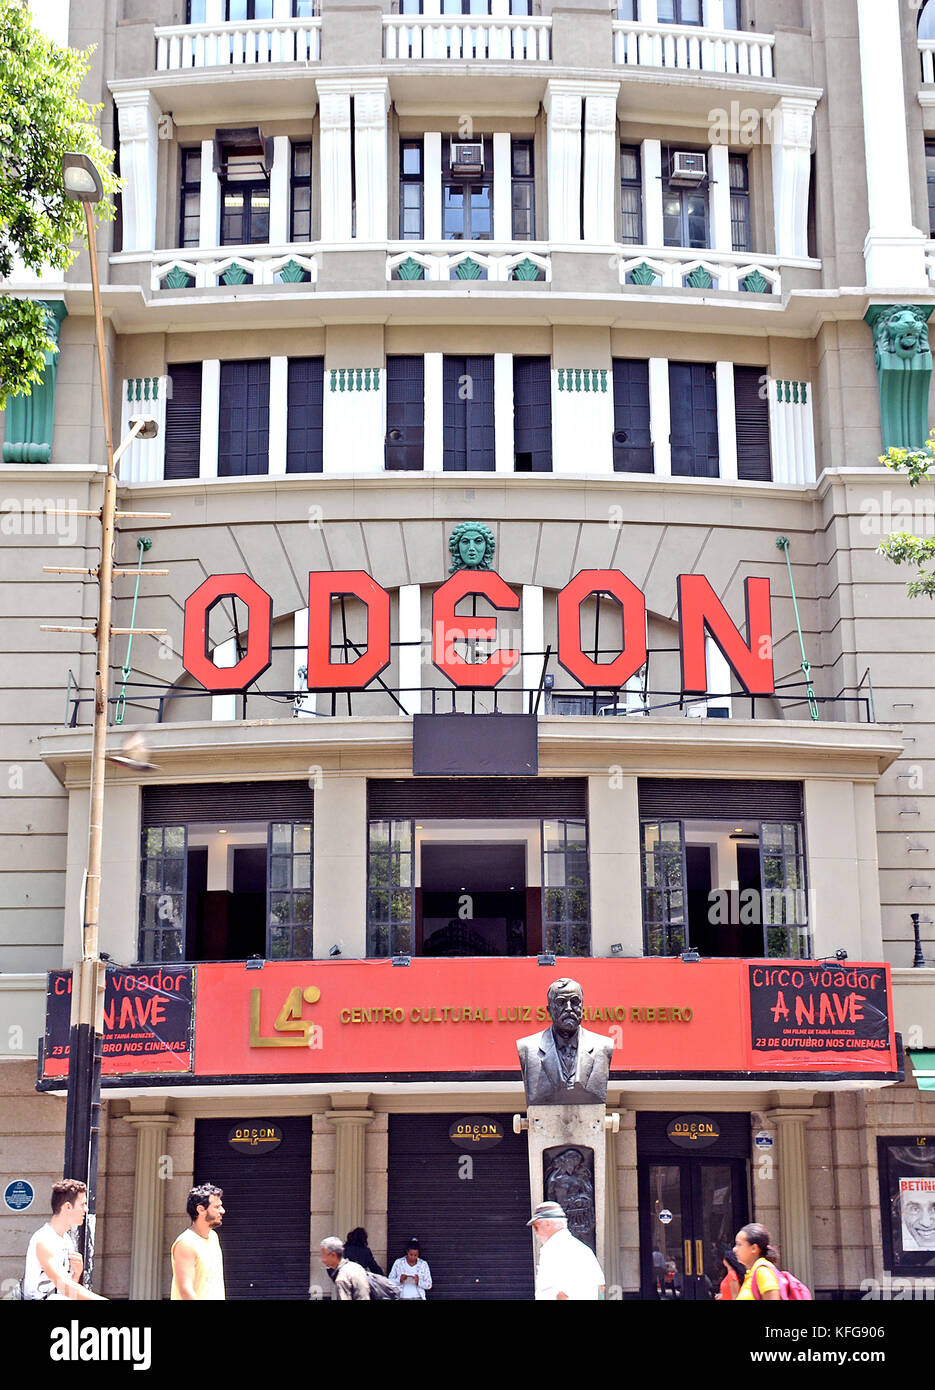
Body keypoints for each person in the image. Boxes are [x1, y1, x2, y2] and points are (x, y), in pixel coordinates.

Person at [516, 978, 615, 1108]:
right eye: (561, 1002)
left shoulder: (603, 1046)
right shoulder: (527, 1048)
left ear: (582, 1007)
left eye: (574, 1002)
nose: (569, 1008)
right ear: (549, 1010)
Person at [23, 1179, 106, 1300]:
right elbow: (64, 1287)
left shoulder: (66, 1240)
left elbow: (67, 1291)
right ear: (68, 1207)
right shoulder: (45, 1240)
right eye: (82, 1204)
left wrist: (76, 1274)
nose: (86, 1209)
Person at [528, 1200, 605, 1300]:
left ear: (547, 1224)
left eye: (536, 1226)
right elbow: (601, 1288)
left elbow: (561, 1294)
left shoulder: (552, 1250)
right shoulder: (583, 1249)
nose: (535, 1232)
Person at [170, 1183, 226, 1300]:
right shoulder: (186, 1244)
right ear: (201, 1210)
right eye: (216, 1207)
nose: (222, 1211)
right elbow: (185, 1290)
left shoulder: (213, 1237)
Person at [733, 1223, 781, 1301]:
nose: (734, 1249)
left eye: (739, 1244)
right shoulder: (752, 1272)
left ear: (754, 1248)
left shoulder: (762, 1271)